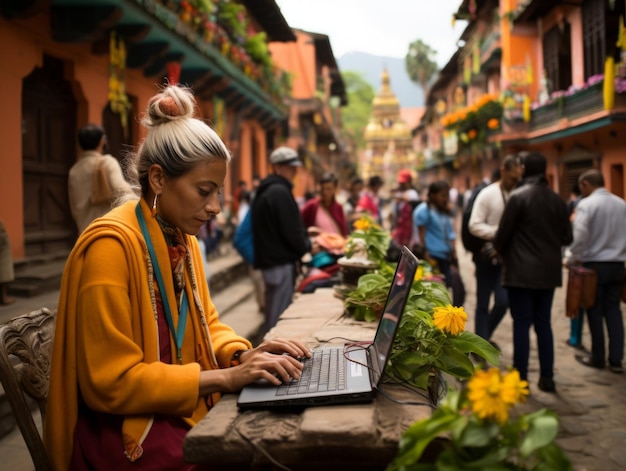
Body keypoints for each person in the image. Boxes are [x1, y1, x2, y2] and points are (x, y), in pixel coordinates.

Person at [44, 85, 310, 471]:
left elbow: (206, 324)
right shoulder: (111, 247)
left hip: (178, 406)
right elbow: (111, 383)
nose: (216, 207)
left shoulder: (179, 238)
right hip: (127, 429)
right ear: (157, 179)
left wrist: (240, 355)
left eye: (218, 192)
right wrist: (227, 378)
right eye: (204, 191)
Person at [494, 152, 572, 393]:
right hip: (547, 273)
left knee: (521, 324)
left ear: (525, 169)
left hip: (520, 273)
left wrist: (502, 250)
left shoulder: (518, 197)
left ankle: (521, 378)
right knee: (543, 324)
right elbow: (567, 237)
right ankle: (547, 378)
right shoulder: (558, 200)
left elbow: (501, 237)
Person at [568, 169, 626, 373]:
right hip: (618, 265)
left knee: (594, 310)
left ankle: (599, 357)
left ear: (585, 184)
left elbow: (580, 237)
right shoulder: (622, 204)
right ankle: (617, 359)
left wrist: (572, 257)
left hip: (594, 266)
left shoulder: (586, 204)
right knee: (614, 310)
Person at [251, 146, 311, 333]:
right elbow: (291, 231)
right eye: (290, 166)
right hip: (279, 264)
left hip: (271, 263)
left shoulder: (268, 190)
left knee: (274, 313)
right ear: (277, 167)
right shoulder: (279, 192)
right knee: (278, 319)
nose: (294, 171)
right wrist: (307, 245)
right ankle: (272, 356)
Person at [468, 154, 523, 342]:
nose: (514, 181)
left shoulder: (518, 193)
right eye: (512, 177)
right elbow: (474, 225)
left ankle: (483, 339)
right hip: (486, 256)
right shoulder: (487, 194)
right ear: (503, 171)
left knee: (503, 302)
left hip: (507, 257)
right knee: (482, 303)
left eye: (518, 178)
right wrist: (498, 233)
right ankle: (481, 343)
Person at [68, 123, 134, 233]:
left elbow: (73, 208)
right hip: (107, 232)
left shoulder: (74, 171)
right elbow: (123, 191)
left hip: (84, 235)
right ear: (102, 141)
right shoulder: (107, 162)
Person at [413, 180, 463, 305]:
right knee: (435, 293)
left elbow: (451, 233)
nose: (445, 198)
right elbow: (420, 236)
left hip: (446, 256)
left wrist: (454, 253)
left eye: (447, 195)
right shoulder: (423, 211)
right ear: (433, 195)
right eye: (443, 195)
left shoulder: (443, 210)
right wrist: (426, 255)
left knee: (451, 288)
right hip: (432, 258)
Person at [300, 172, 347, 237]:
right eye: (323, 189)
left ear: (335, 189)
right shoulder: (312, 206)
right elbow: (299, 225)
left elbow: (343, 230)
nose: (325, 192)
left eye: (329, 189)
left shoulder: (338, 207)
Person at [390, 169, 419, 248]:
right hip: (400, 231)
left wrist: (397, 196)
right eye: (400, 182)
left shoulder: (412, 193)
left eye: (403, 183)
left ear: (409, 182)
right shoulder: (400, 194)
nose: (401, 184)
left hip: (410, 232)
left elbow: (408, 199)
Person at [0, 219, 15, 305]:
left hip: (4, 260)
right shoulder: (2, 235)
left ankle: (4, 297)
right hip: (3, 262)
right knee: (4, 281)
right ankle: (4, 298)